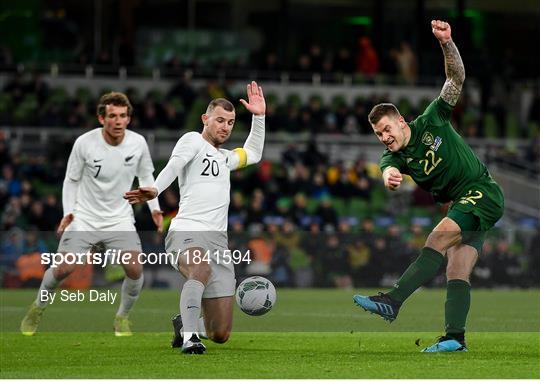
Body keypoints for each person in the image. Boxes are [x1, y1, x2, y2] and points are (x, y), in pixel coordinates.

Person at [353, 20, 504, 353]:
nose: (385, 137)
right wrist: (387, 177)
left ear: (402, 122)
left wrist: (447, 44)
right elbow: (387, 169)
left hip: (482, 191)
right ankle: (455, 338)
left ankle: (392, 300)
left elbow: (455, 79)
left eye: (387, 129)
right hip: (463, 205)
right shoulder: (393, 157)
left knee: (436, 238)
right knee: (457, 267)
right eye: (379, 134)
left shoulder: (432, 119)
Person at [124, 81, 266, 354]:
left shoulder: (225, 158)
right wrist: (154, 189)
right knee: (200, 268)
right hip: (187, 231)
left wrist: (258, 117)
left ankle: (185, 325)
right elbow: (174, 166)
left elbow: (255, 153)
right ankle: (190, 338)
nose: (225, 126)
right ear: (205, 119)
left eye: (231, 122)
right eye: (220, 120)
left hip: (218, 242)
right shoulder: (192, 141)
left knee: (220, 333)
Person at [20, 92, 163, 337]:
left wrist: (155, 208)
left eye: (122, 116)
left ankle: (122, 317)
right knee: (64, 269)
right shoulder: (84, 143)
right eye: (112, 116)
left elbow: (146, 177)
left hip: (119, 219)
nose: (117, 121)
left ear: (128, 119)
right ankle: (38, 307)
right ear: (101, 118)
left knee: (135, 269)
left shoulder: (138, 143)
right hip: (84, 217)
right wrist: (69, 213)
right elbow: (71, 180)